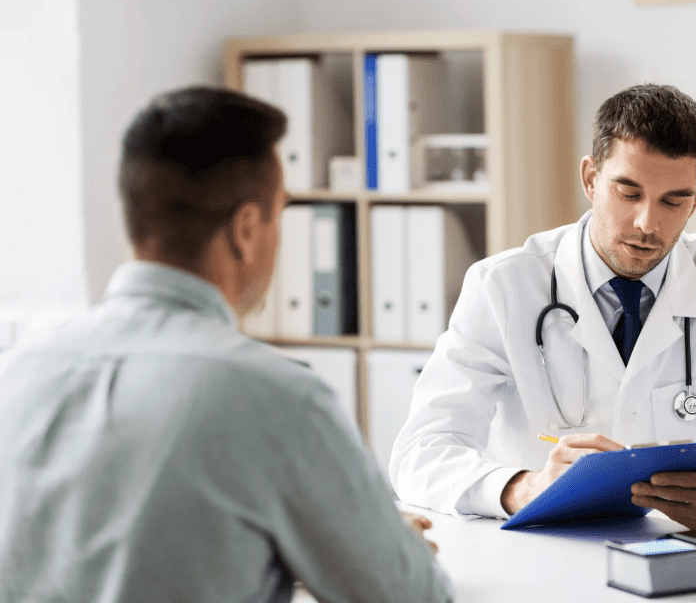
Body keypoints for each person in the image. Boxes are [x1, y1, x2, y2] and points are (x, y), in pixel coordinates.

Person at [0, 87, 453, 602]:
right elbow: (408, 596)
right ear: (246, 229)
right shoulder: (276, 397)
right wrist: (383, 546)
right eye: (279, 214)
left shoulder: (17, 371)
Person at [391, 84, 696, 530]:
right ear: (591, 178)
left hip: (679, 552)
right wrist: (524, 487)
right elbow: (421, 452)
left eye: (674, 200)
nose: (647, 223)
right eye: (628, 192)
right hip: (545, 552)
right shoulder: (503, 286)